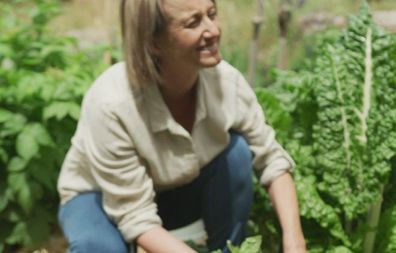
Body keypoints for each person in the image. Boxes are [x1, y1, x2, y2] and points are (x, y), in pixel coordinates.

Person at [57, 0, 306, 252]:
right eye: (193, 22)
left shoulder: (225, 82)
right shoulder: (112, 103)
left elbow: (271, 160)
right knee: (99, 247)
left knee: (236, 154)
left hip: (178, 192)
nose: (213, 30)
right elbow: (135, 216)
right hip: (100, 198)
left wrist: (294, 240)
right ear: (154, 41)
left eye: (212, 14)